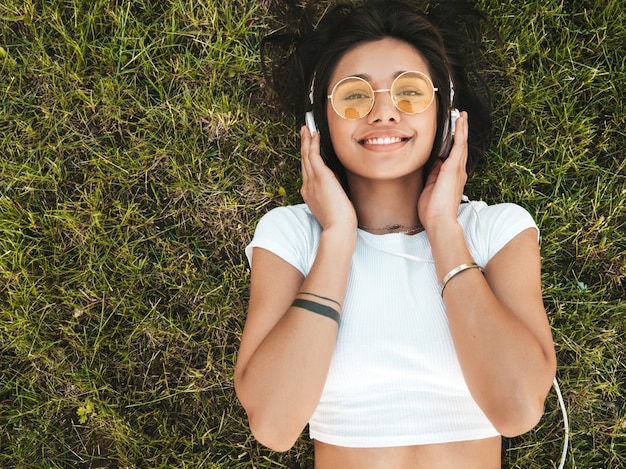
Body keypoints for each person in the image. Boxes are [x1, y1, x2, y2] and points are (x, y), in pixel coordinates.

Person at [234, 0, 557, 467]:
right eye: (353, 95)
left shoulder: (495, 231)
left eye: (409, 92)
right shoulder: (292, 237)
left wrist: (444, 227)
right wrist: (339, 237)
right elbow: (274, 424)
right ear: (317, 123)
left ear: (445, 115)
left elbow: (519, 408)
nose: (384, 112)